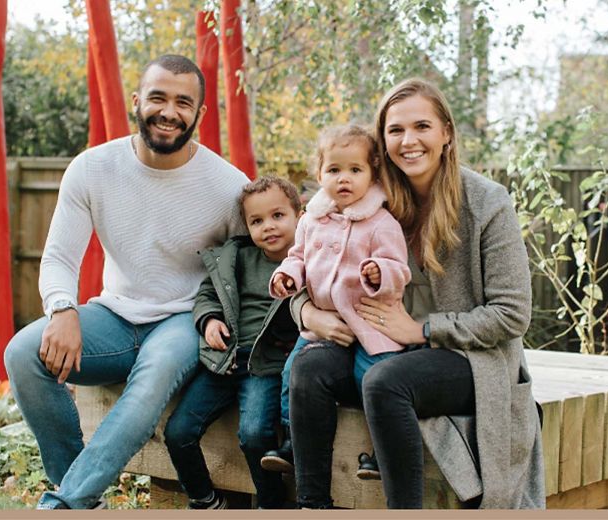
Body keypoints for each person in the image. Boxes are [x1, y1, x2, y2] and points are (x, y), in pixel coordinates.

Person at [3, 55, 250, 510]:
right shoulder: (92, 168)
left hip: (186, 319)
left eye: (183, 102)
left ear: (200, 113)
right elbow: (59, 255)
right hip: (116, 313)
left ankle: (66, 504)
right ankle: (77, 492)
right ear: (137, 101)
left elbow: (254, 268)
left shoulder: (228, 187)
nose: (169, 111)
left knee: (153, 377)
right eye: (158, 97)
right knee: (22, 353)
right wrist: (62, 308)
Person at [287, 79, 546, 509]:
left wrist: (422, 329)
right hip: (373, 338)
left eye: (422, 126)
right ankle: (312, 505)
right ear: (381, 141)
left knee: (386, 382)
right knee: (310, 368)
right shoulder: (365, 197)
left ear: (446, 133)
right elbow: (306, 260)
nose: (409, 141)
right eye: (395, 130)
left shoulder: (486, 203)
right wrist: (306, 313)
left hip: (469, 357)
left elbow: (511, 314)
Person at [260, 125, 412, 479]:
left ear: (372, 173)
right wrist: (288, 276)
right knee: (291, 374)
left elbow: (399, 269)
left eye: (355, 170)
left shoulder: (381, 223)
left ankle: (380, 450)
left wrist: (380, 273)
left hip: (370, 322)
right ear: (319, 174)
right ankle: (292, 443)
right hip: (323, 325)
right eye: (334, 170)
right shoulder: (311, 220)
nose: (344, 179)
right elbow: (297, 257)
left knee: (375, 378)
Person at [162, 177, 303, 510]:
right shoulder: (237, 258)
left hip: (266, 365)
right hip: (224, 359)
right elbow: (208, 294)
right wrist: (209, 320)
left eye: (278, 216)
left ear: (300, 214)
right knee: (179, 432)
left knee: (255, 437)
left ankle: (271, 505)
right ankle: (205, 499)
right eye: (257, 221)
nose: (268, 227)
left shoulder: (309, 263)